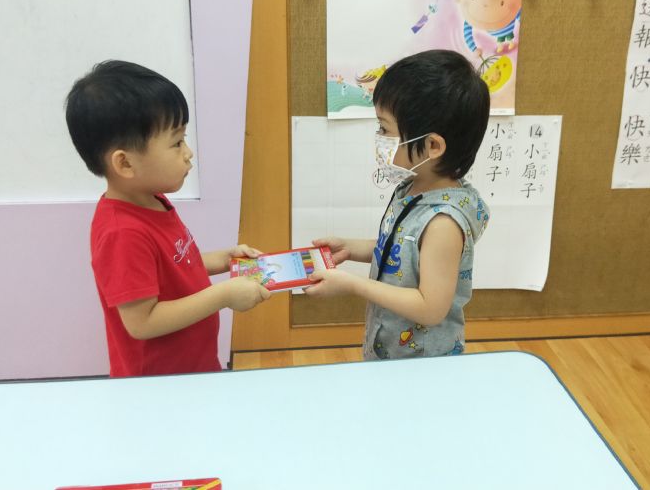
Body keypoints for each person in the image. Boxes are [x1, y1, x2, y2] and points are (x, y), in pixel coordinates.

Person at [65, 60, 269, 377]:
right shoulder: (123, 233)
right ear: (125, 163)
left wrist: (226, 259)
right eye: (176, 143)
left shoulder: (153, 200)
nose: (188, 152)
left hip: (193, 369)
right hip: (159, 384)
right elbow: (142, 322)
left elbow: (175, 267)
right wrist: (224, 295)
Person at [305, 50, 490, 360]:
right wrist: (350, 248)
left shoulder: (443, 224)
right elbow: (402, 250)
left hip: (422, 365)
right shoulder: (411, 187)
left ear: (433, 145)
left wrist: (351, 285)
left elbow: (430, 307)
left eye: (385, 129)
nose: (379, 137)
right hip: (391, 350)